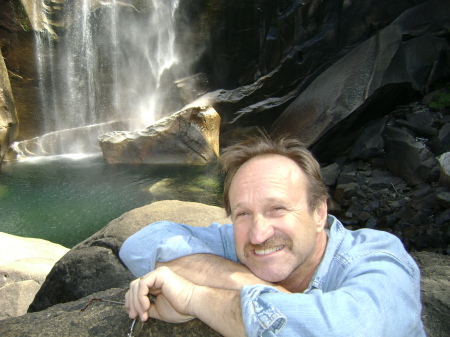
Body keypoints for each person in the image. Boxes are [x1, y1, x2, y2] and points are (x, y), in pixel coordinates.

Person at [119, 136, 425, 337]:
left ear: (319, 213)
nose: (259, 233)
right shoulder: (243, 242)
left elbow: (346, 329)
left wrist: (193, 297)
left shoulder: (380, 257)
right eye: (243, 213)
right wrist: (243, 280)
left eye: (277, 208)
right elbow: (142, 243)